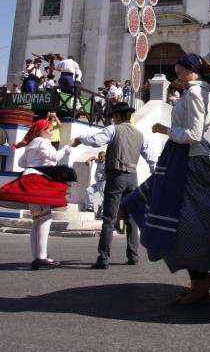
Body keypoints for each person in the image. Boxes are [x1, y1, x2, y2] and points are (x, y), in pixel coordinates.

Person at [123, 43, 210, 305]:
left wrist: (164, 129)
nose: (176, 77)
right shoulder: (193, 89)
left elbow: (193, 135)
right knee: (165, 213)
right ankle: (199, 279)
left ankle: (201, 279)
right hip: (179, 160)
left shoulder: (197, 95)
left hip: (190, 162)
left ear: (192, 73)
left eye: (180, 72)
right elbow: (201, 63)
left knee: (186, 223)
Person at [70, 102, 157, 268]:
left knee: (109, 218)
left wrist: (80, 139)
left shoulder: (113, 129)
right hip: (133, 177)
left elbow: (96, 140)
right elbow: (152, 158)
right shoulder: (140, 134)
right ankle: (133, 255)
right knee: (131, 218)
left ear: (117, 116)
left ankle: (103, 258)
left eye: (113, 116)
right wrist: (155, 174)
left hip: (116, 176)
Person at [0, 119, 75, 269]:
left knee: (38, 218)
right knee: (45, 217)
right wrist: (67, 147)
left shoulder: (32, 143)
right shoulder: (42, 141)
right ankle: (41, 257)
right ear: (41, 131)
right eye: (48, 129)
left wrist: (36, 160)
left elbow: (22, 163)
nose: (51, 131)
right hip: (37, 179)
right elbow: (54, 157)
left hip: (29, 176)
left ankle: (37, 257)